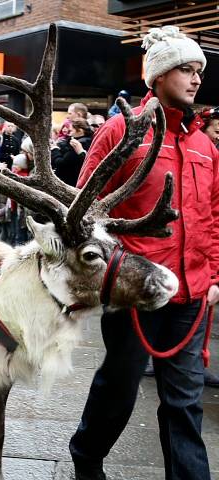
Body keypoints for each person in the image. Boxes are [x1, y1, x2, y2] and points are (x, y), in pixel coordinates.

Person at [69, 25, 219, 480]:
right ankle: (87, 455)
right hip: (136, 289)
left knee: (185, 400)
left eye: (199, 71)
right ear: (156, 76)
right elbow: (86, 210)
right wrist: (113, 271)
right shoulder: (119, 131)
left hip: (191, 293)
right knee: (120, 387)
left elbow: (212, 214)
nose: (196, 79)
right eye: (185, 69)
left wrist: (213, 275)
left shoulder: (203, 145)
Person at [51, 119, 93, 187]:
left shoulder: (78, 144)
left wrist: (55, 149)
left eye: (70, 131)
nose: (68, 133)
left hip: (69, 182)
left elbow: (61, 163)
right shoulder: (88, 140)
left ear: (80, 131)